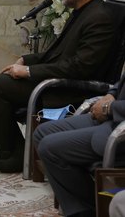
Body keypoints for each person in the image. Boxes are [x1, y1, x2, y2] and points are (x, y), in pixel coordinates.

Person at [0, 0, 114, 174]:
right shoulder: (82, 12)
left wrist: (29, 72)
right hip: (58, 82)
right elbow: (57, 54)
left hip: (70, 89)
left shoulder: (99, 17)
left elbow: (80, 67)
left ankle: (11, 152)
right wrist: (26, 60)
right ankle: (9, 151)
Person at [34, 70, 125, 217]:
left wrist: (110, 108)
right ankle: (85, 204)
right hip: (113, 114)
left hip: (120, 126)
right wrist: (111, 94)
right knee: (42, 132)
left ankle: (88, 209)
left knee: (49, 147)